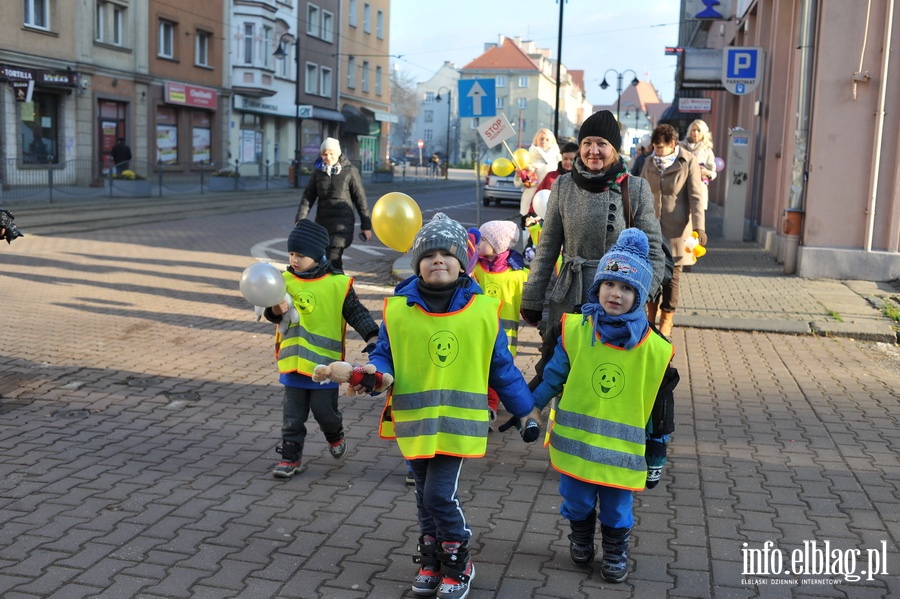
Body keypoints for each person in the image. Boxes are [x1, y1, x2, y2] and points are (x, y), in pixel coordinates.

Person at [364, 213, 541, 598]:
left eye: (447, 254)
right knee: (423, 494)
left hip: (457, 425)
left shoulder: (481, 311)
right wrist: (372, 375)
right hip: (414, 421)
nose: (438, 260)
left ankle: (458, 557)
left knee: (438, 495)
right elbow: (384, 356)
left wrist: (525, 410)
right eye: (429, 254)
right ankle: (431, 557)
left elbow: (502, 369)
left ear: (464, 262)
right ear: (417, 263)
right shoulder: (398, 309)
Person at [530, 228, 677, 583]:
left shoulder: (653, 349)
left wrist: (657, 452)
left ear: (640, 296)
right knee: (577, 501)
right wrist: (526, 407)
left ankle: (615, 550)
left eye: (627, 288)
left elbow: (660, 408)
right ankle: (580, 537)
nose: (616, 293)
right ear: (598, 286)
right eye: (611, 284)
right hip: (578, 447)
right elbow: (553, 376)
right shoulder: (577, 330)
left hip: (622, 452)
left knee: (616, 510)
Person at [520, 110, 665, 389]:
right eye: (587, 143)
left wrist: (639, 297)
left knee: (605, 380)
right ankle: (558, 432)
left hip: (616, 302)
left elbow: (654, 251)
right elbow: (547, 246)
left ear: (614, 148)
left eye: (601, 144)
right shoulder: (563, 186)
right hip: (570, 298)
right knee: (562, 378)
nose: (593, 151)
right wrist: (532, 297)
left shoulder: (635, 188)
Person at [262, 219, 379, 478]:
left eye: (300, 255)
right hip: (293, 365)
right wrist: (274, 310)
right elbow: (271, 312)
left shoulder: (337, 285)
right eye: (291, 253)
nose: (294, 259)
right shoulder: (282, 281)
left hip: (324, 369)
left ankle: (334, 435)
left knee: (325, 414)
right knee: (292, 417)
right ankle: (290, 459)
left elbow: (356, 313)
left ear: (317, 254)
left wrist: (372, 335)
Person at [641, 123, 706, 336]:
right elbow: (640, 191)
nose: (656, 152)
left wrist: (699, 228)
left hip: (678, 230)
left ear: (672, 144)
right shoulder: (649, 162)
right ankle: (649, 319)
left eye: (660, 148)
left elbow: (696, 197)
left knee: (673, 278)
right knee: (651, 274)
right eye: (654, 147)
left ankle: (667, 320)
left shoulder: (688, 161)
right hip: (652, 228)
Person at [470, 220, 528, 421]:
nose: (478, 243)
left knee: (497, 371)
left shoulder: (518, 276)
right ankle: (482, 403)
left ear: (497, 246)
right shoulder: (475, 269)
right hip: (477, 332)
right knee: (478, 368)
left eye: (483, 240)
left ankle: (490, 406)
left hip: (504, 335)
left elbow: (528, 303)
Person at [294, 138, 372, 273]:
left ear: (338, 154)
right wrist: (300, 219)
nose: (328, 157)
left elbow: (360, 199)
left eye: (331, 154)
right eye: (324, 154)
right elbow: (308, 197)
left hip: (342, 225)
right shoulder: (318, 172)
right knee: (323, 261)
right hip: (322, 225)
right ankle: (333, 289)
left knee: (333, 260)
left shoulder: (350, 171)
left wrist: (366, 226)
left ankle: (339, 291)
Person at [516, 128, 561, 218]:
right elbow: (518, 183)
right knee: (530, 230)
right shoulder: (527, 157)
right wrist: (523, 175)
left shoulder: (557, 158)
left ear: (552, 141)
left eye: (547, 139)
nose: (544, 141)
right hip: (530, 201)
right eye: (541, 138)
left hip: (550, 201)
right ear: (536, 140)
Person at [679, 119, 717, 210]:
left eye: (699, 130)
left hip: (699, 188)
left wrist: (706, 173)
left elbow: (713, 172)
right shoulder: (681, 147)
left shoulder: (706, 150)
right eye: (693, 130)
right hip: (681, 187)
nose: (695, 133)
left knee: (697, 218)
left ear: (703, 133)